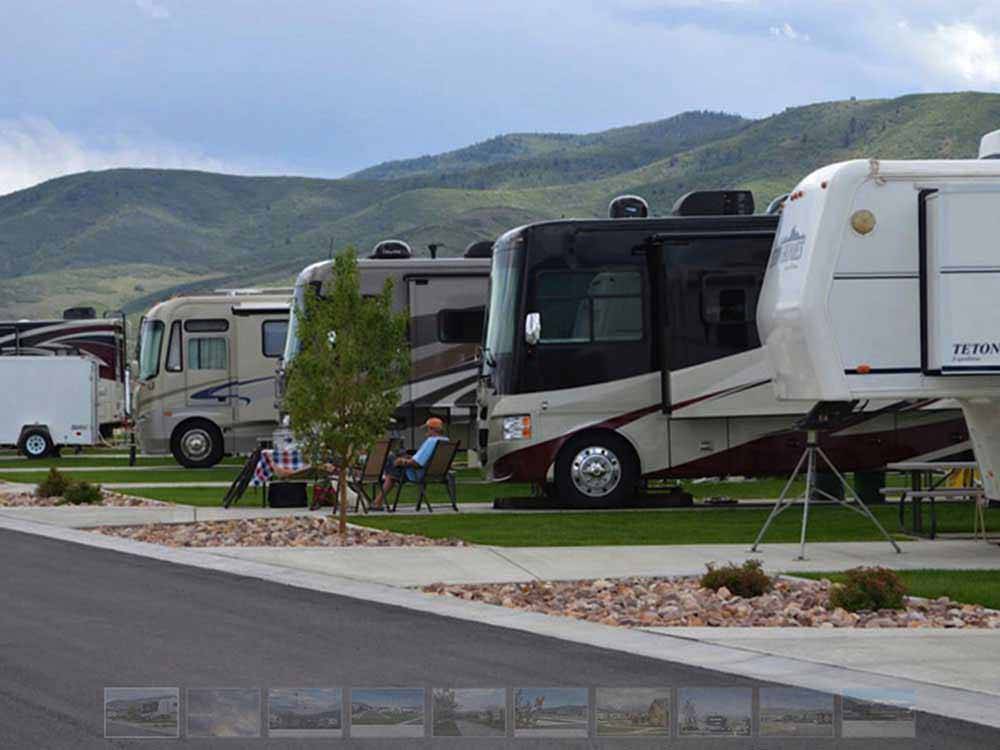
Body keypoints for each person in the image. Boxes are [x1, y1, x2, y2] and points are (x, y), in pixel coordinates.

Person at [371, 417, 446, 510]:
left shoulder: (431, 441)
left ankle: (377, 499)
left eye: (427, 429)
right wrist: (408, 458)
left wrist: (403, 461)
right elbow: (425, 458)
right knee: (393, 465)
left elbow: (417, 463)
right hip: (436, 472)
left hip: (416, 473)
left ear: (432, 429)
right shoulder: (444, 441)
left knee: (390, 460)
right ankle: (379, 496)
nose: (426, 431)